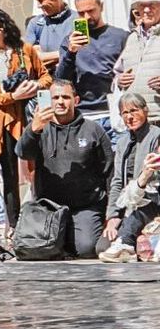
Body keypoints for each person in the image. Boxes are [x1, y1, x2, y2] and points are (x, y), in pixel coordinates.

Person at [0, 8, 51, 229]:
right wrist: (12, 96)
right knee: (9, 173)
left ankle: (43, 216)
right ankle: (13, 224)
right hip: (1, 120)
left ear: (6, 26)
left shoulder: (24, 49)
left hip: (29, 115)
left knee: (38, 165)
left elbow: (46, 77)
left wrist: (34, 86)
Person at [17, 80, 114, 258]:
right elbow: (23, 153)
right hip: (49, 209)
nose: (60, 102)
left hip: (85, 207)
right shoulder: (39, 127)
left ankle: (66, 240)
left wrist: (111, 213)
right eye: (55, 97)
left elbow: (109, 173)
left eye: (65, 97)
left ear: (76, 100)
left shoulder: (93, 129)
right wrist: (33, 130)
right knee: (34, 248)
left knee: (86, 249)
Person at [53, 0, 128, 132]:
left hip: (115, 111)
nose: (87, 17)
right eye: (81, 13)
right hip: (83, 113)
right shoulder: (69, 41)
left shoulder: (121, 37)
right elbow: (61, 80)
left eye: (91, 10)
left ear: (101, 7)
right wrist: (71, 52)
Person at [98, 94, 160, 262]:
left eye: (134, 110)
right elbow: (117, 181)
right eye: (125, 113)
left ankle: (128, 243)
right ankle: (132, 241)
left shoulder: (156, 136)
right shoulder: (122, 142)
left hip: (149, 201)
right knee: (102, 246)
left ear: (145, 111)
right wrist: (112, 216)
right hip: (127, 202)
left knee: (136, 220)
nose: (130, 117)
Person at [115, 0, 160, 119]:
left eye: (152, 5)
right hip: (135, 119)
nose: (146, 10)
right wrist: (119, 81)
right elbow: (117, 73)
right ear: (137, 10)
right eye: (142, 5)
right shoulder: (132, 38)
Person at [25, 0, 74, 71]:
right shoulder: (35, 23)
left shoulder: (78, 20)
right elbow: (29, 57)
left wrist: (45, 56)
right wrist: (67, 52)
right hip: (47, 79)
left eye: (41, 0)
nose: (38, 6)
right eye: (37, 1)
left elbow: (83, 55)